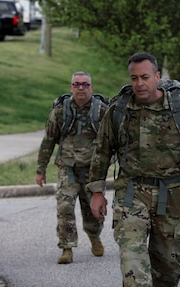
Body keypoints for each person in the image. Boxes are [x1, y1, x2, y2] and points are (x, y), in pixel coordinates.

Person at [86, 52, 180, 286]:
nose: (139, 83)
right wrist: (97, 191)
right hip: (131, 194)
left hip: (174, 195)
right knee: (133, 265)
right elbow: (102, 150)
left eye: (145, 77)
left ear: (157, 76)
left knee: (168, 270)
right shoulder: (119, 110)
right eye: (134, 78)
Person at [35, 71, 107, 264]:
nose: (81, 88)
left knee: (93, 210)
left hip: (92, 170)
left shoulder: (101, 111)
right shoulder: (61, 111)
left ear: (91, 87)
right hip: (67, 168)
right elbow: (49, 140)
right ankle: (67, 247)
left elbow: (112, 141)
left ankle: (94, 236)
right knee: (65, 206)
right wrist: (40, 169)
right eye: (77, 84)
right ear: (71, 87)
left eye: (85, 84)